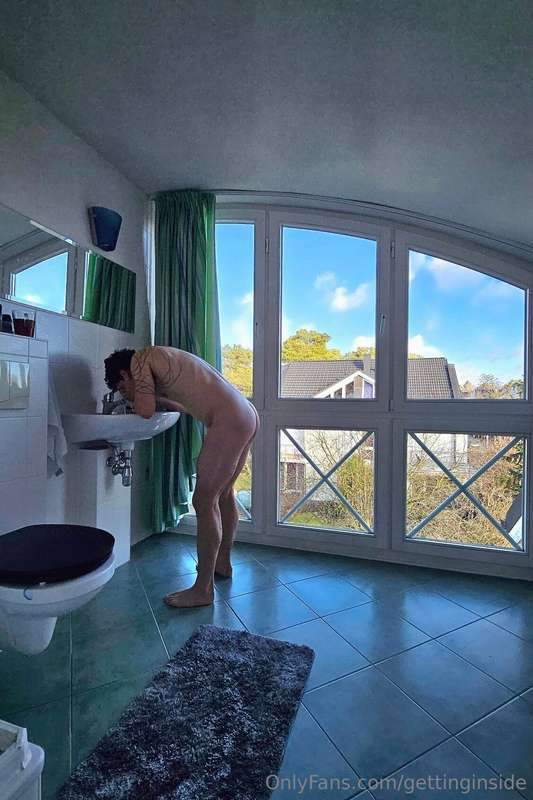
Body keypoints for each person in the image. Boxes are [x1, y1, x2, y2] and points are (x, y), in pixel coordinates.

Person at [104, 346, 259, 608]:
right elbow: (182, 406)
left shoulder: (141, 359)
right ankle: (222, 562)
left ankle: (203, 589)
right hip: (245, 412)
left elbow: (145, 410)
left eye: (122, 388)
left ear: (124, 373)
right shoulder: (164, 358)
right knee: (224, 494)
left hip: (229, 418)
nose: (125, 393)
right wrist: (154, 397)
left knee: (204, 501)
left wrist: (134, 400)